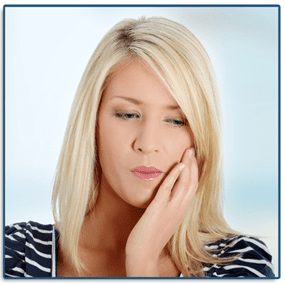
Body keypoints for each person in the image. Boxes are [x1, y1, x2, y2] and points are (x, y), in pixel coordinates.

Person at [5, 16, 275, 278]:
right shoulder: (13, 254)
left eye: (175, 120)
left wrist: (143, 263)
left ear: (199, 138)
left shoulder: (239, 265)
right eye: (128, 114)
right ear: (92, 124)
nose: (147, 144)